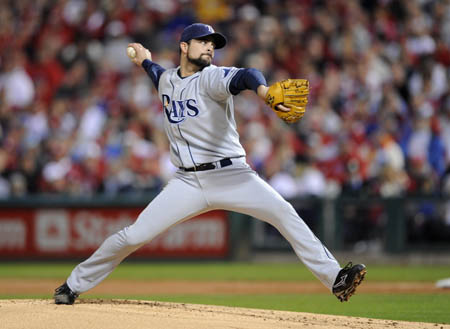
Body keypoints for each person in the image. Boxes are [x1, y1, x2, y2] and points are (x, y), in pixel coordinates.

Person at [54, 23, 366, 305]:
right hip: (186, 183)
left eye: (212, 44)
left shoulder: (212, 78)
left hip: (232, 175)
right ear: (184, 47)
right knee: (133, 236)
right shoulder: (165, 80)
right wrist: (144, 60)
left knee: (283, 212)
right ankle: (72, 285)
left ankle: (336, 279)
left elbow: (245, 75)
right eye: (203, 42)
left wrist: (263, 91)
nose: (209, 48)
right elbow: (156, 74)